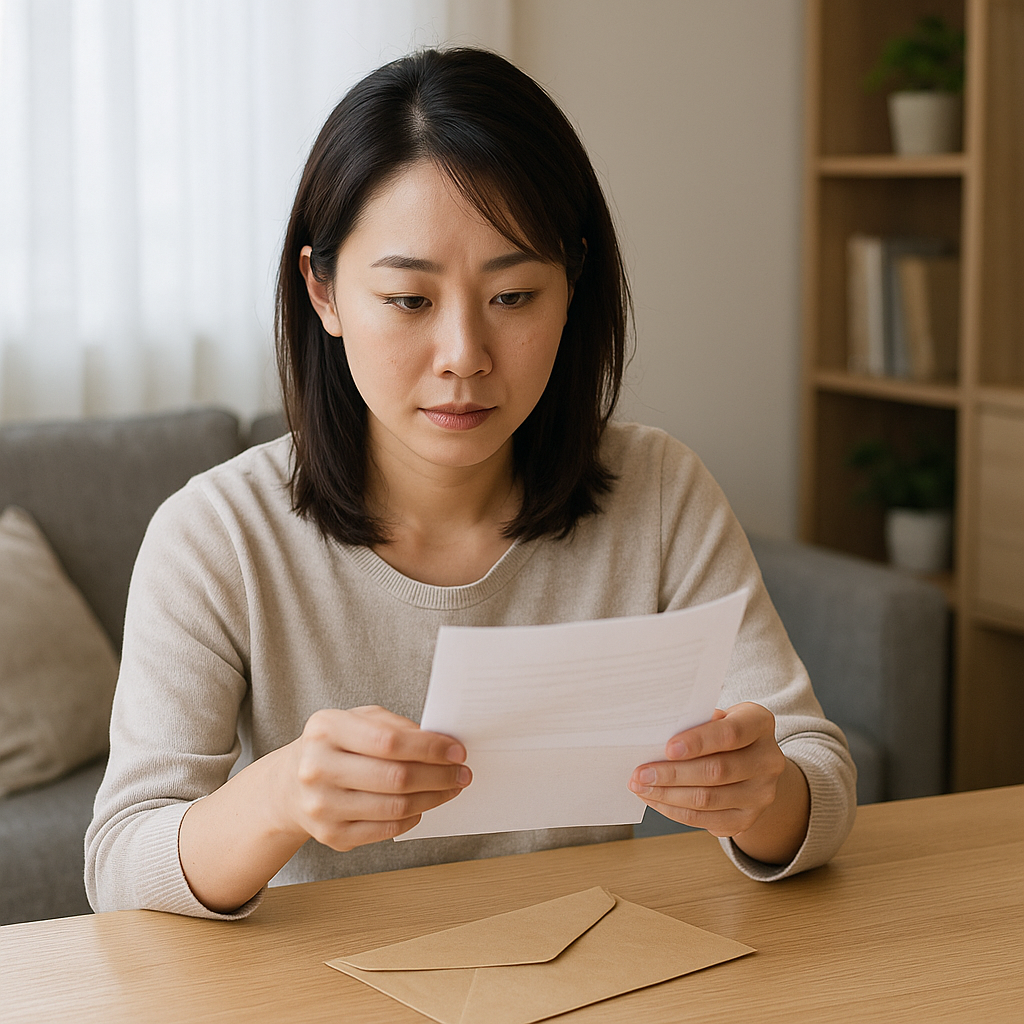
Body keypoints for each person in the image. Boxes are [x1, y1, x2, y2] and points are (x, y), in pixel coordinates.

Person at [86, 47, 856, 920]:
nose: (464, 356)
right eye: (410, 301)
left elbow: (820, 781)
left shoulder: (658, 493)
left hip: (586, 962)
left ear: (571, 286)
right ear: (323, 293)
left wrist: (764, 795)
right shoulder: (216, 534)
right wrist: (277, 797)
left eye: (514, 297)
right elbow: (120, 866)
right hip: (316, 979)